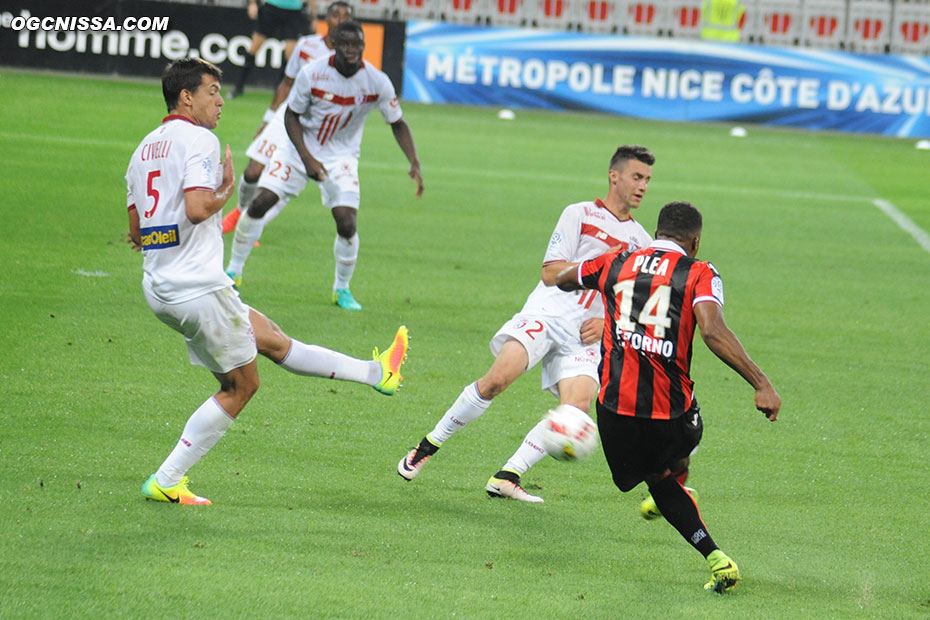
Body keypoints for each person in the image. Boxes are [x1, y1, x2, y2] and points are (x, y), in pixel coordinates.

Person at [125, 57, 409, 506]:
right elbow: (199, 209)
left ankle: (378, 373)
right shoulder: (200, 139)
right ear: (186, 97)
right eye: (212, 92)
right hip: (197, 288)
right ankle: (167, 478)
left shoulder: (144, 148)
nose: (220, 101)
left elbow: (136, 234)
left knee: (273, 340)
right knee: (242, 386)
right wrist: (227, 187)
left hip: (162, 286)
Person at [396, 146, 655, 503]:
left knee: (575, 409)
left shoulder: (642, 241)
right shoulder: (579, 214)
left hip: (585, 336)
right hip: (546, 315)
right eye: (637, 177)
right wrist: (603, 263)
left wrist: (606, 321)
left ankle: (508, 474)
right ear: (615, 176)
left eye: (647, 180)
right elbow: (549, 273)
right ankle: (427, 447)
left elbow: (633, 303)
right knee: (496, 380)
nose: (642, 186)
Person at [555, 200, 781, 592]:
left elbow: (563, 278)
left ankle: (709, 545)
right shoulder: (699, 272)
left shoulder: (615, 263)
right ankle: (684, 492)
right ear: (694, 241)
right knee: (679, 445)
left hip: (614, 411)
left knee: (644, 478)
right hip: (673, 417)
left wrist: (589, 276)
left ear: (656, 233)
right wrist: (761, 382)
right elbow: (712, 331)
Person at [226, 20, 424, 311]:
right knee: (260, 203)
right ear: (333, 43)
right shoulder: (313, 73)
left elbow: (397, 122)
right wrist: (307, 158)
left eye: (357, 44)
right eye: (345, 44)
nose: (352, 50)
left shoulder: (377, 81)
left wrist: (414, 161)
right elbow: (291, 116)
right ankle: (233, 272)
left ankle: (341, 289)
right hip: (298, 149)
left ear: (363, 46)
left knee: (346, 222)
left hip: (341, 157)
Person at [222, 1, 354, 236]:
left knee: (283, 185)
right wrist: (267, 119)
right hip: (287, 115)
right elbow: (287, 82)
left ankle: (250, 226)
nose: (341, 19)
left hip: (315, 127)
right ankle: (240, 213)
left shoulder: (350, 59)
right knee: (253, 171)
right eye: (336, 14)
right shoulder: (306, 45)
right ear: (328, 19)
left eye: (346, 16)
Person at [230, 0, 317, 99]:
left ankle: (280, 90)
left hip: (294, 12)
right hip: (271, 8)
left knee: (290, 55)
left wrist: (313, 17)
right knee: (254, 47)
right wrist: (253, 3)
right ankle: (239, 86)